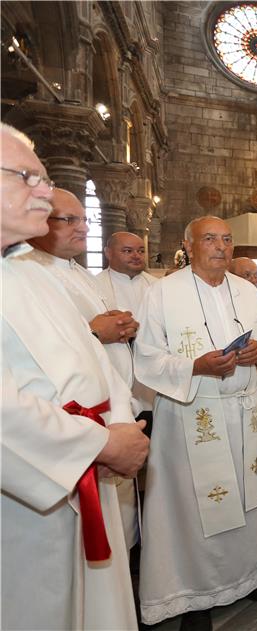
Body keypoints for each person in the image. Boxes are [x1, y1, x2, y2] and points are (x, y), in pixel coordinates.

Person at [1, 122, 148, 629]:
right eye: (28, 177)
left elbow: (92, 360)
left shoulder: (31, 273)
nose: (44, 191)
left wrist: (120, 429)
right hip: (30, 496)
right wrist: (100, 444)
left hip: (88, 466)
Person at [134, 216, 257, 630]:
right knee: (193, 510)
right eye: (210, 239)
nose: (221, 247)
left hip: (245, 412)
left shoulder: (248, 291)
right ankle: (195, 595)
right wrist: (194, 366)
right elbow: (145, 358)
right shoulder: (162, 293)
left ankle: (248, 575)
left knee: (248, 501)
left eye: (227, 240)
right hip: (192, 417)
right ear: (189, 244)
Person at [24, 190, 142, 549]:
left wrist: (121, 327)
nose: (82, 228)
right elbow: (36, 349)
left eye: (83, 219)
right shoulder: (28, 274)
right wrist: (95, 332)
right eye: (69, 219)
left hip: (112, 408)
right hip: (75, 419)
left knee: (118, 524)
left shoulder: (79, 273)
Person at [96, 231, 159, 434]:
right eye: (127, 251)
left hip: (153, 377)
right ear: (108, 252)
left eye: (141, 251)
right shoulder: (94, 286)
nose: (136, 255)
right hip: (115, 370)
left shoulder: (158, 286)